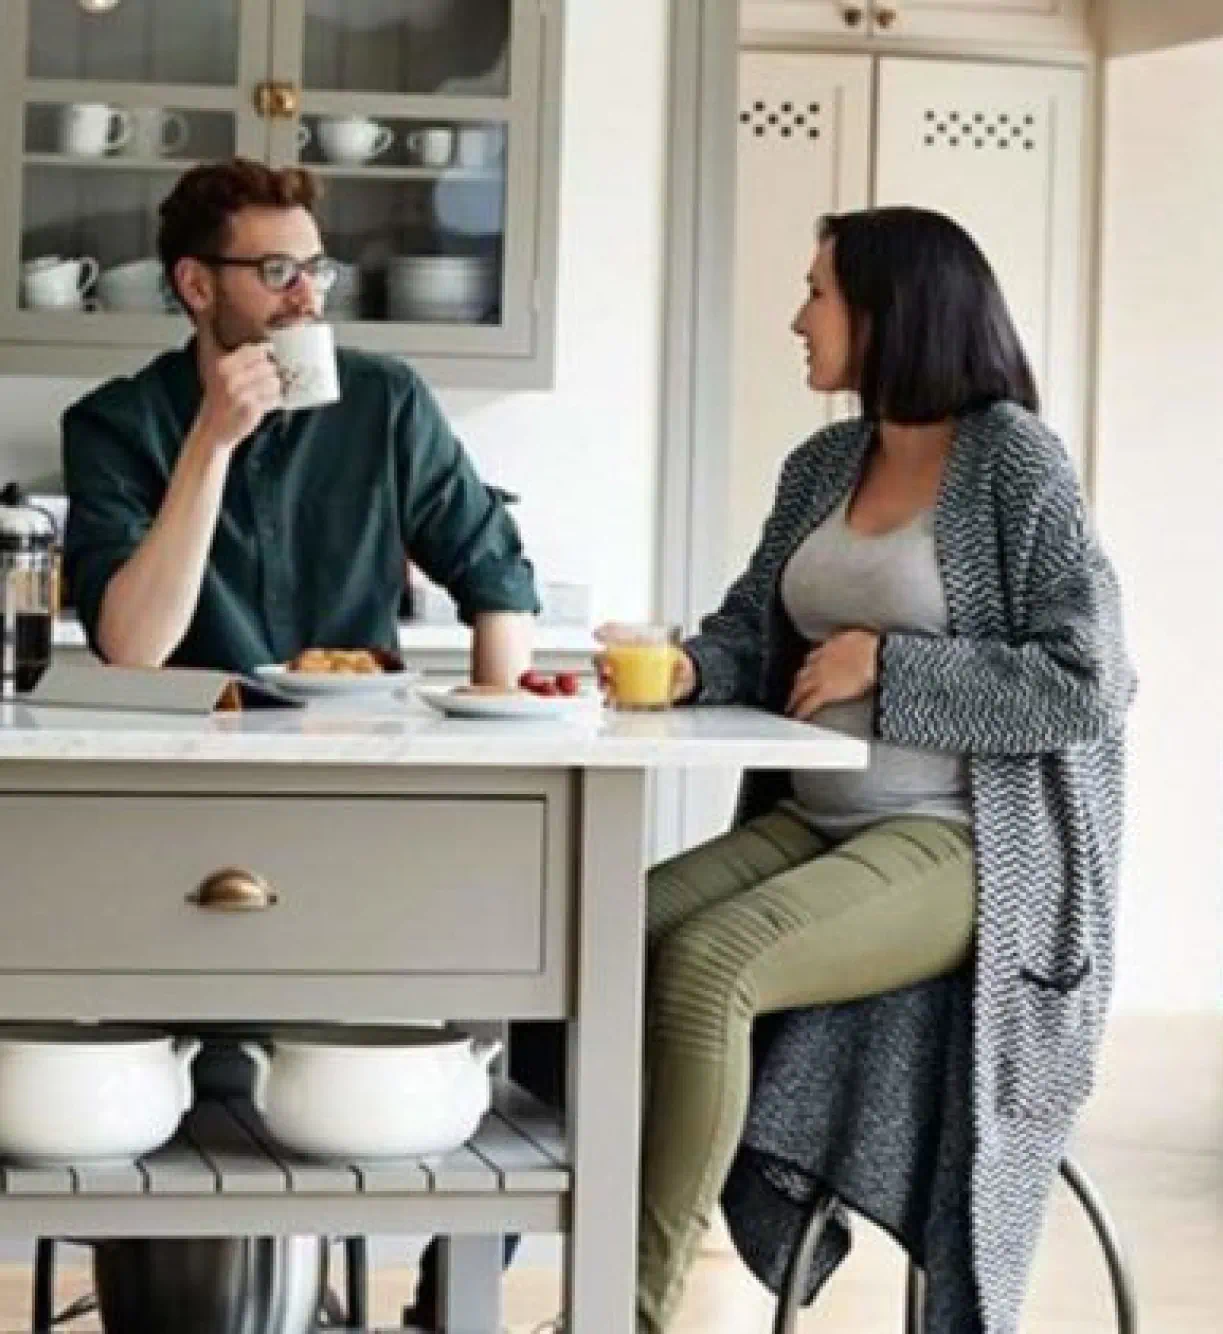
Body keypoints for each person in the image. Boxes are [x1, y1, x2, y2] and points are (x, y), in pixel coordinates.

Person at [411, 205, 1133, 1334]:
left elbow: (1088, 682)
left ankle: (627, 1313)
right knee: (594, 936)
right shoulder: (825, 462)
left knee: (707, 966)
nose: (799, 318)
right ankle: (480, 1280)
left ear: (893, 313)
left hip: (962, 845)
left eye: (819, 292)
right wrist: (688, 668)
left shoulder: (1014, 463)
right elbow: (758, 627)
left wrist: (889, 664)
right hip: (820, 821)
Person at [62, 158, 537, 682]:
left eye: (316, 270)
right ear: (197, 285)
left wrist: (496, 724)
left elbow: (496, 576)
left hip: (357, 741)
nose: (308, 297)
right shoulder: (114, 426)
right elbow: (131, 649)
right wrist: (211, 441)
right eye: (278, 272)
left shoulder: (384, 400)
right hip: (194, 745)